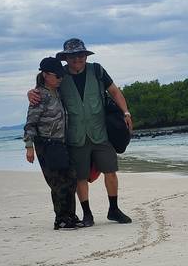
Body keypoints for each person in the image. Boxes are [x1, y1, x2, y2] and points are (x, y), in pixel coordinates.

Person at [28, 38, 133, 226]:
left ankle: (114, 210)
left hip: (100, 133)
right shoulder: (61, 76)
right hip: (75, 137)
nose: (78, 59)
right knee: (81, 177)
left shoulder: (98, 71)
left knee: (111, 170)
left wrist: (125, 112)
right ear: (66, 58)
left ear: (86, 55)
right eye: (73, 56)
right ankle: (87, 214)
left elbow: (115, 92)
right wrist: (31, 92)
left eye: (81, 55)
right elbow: (45, 90)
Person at [24, 57, 79, 230]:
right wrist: (29, 147)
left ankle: (70, 215)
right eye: (57, 76)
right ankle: (61, 219)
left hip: (61, 143)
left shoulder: (58, 92)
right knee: (57, 183)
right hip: (46, 145)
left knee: (70, 179)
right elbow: (30, 124)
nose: (61, 78)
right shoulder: (39, 96)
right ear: (46, 75)